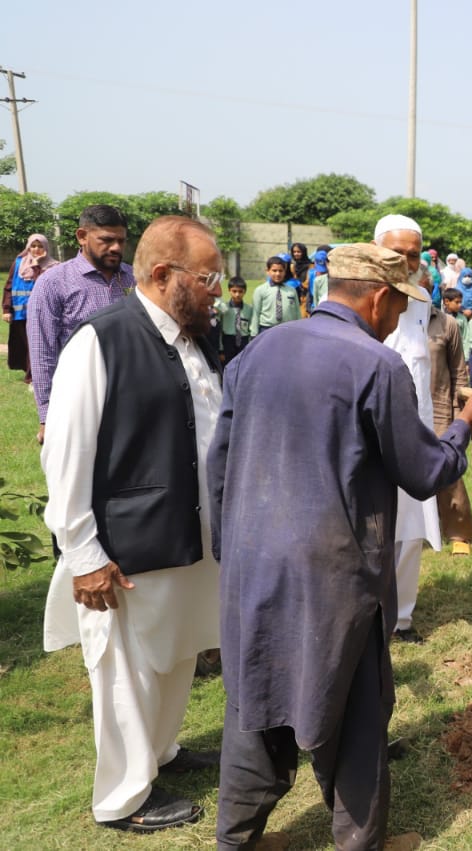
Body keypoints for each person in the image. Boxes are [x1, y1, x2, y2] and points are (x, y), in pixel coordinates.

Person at [210, 244, 472, 849]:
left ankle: (237, 840)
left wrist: (232, 547)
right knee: (358, 710)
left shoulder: (258, 350)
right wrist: (466, 423)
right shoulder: (376, 365)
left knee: (254, 699)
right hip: (334, 573)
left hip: (253, 562)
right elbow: (424, 471)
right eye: (400, 307)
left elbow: (221, 462)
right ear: (380, 298)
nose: (398, 320)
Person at [41, 216, 226, 833]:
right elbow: (67, 453)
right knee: (128, 668)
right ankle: (122, 799)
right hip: (127, 548)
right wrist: (83, 554)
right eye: (207, 280)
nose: (217, 292)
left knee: (176, 652)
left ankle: (160, 752)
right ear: (164, 274)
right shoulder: (102, 340)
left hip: (189, 536)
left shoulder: (196, 338)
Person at [373, 214, 442, 642]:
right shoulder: (357, 294)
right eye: (396, 252)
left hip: (415, 428)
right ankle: (368, 611)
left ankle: (401, 618)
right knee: (370, 524)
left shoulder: (421, 299)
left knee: (411, 527)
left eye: (413, 254)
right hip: (371, 427)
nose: (405, 261)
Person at [27, 204, 133, 444]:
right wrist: (47, 416)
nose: (116, 247)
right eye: (106, 240)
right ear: (82, 236)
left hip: (131, 402)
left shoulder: (136, 280)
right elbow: (42, 353)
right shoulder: (53, 283)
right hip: (78, 402)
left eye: (121, 240)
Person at [427, 281, 472, 557]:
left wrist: (461, 414)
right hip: (403, 406)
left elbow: (459, 372)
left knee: (447, 468)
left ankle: (459, 532)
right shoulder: (394, 320)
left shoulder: (447, 324)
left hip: (439, 407)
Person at [4, 233, 58, 384]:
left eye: (40, 246)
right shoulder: (19, 262)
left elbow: (42, 283)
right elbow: (9, 285)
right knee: (23, 345)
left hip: (41, 313)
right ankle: (29, 373)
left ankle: (32, 377)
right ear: (28, 247)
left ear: (46, 248)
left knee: (37, 345)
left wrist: (37, 264)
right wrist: (6, 309)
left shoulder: (53, 266)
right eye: (33, 246)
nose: (36, 249)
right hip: (20, 313)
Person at [249, 256, 300, 335]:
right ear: (268, 271)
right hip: (266, 329)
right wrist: (254, 333)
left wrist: (298, 330)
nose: (278, 274)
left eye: (280, 271)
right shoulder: (260, 290)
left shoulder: (291, 291)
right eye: (274, 270)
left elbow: (297, 312)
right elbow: (255, 314)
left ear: (285, 272)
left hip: (287, 329)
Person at [214, 277, 254, 363]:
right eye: (234, 291)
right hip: (228, 341)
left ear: (245, 292)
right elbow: (219, 330)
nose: (237, 294)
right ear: (229, 291)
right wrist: (221, 350)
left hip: (243, 341)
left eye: (240, 291)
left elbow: (251, 328)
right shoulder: (224, 308)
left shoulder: (249, 309)